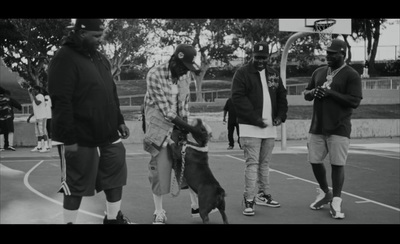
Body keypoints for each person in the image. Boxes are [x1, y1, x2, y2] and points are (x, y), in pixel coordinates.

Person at [47, 19, 131, 224]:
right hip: (79, 136)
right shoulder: (64, 57)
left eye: (101, 36)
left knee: (115, 177)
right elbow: (61, 101)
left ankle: (112, 219)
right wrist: (69, 138)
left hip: (108, 133)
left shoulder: (100, 58)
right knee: (75, 185)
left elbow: (111, 91)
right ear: (80, 33)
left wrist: (119, 120)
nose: (99, 40)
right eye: (95, 36)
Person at [143, 43, 209, 224]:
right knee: (159, 170)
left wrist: (187, 132)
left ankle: (196, 206)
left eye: (187, 68)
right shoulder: (154, 74)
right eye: (182, 67)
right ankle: (159, 212)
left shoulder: (185, 75)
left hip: (179, 126)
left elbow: (183, 105)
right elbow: (167, 111)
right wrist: (192, 129)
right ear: (174, 60)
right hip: (159, 127)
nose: (184, 71)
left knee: (188, 166)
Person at [303, 38, 362, 219]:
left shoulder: (351, 75)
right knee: (314, 160)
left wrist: (330, 93)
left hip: (339, 127)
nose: (327, 56)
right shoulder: (319, 72)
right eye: (327, 52)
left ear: (342, 54)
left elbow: (354, 101)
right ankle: (324, 191)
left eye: (332, 53)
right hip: (317, 126)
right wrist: (313, 93)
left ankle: (336, 199)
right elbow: (306, 93)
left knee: (337, 164)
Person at [231, 41, 288, 216]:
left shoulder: (273, 73)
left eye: (264, 58)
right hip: (249, 127)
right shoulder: (242, 73)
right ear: (252, 56)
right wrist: (255, 119)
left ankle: (264, 194)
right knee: (252, 164)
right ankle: (249, 198)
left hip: (269, 128)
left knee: (264, 164)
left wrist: (280, 115)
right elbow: (238, 98)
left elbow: (281, 96)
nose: (261, 61)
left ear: (269, 57)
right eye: (257, 58)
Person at [28, 85, 49, 152]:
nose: (33, 91)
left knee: (43, 132)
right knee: (38, 133)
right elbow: (36, 109)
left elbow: (38, 103)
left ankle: (46, 146)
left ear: (37, 90)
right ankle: (39, 146)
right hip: (37, 117)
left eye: (34, 89)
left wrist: (33, 96)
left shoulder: (40, 96)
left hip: (42, 117)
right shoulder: (36, 97)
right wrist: (30, 117)